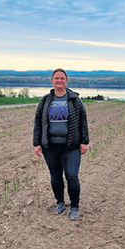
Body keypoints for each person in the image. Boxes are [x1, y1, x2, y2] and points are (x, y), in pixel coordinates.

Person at [33, 69, 89, 220]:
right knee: (55, 176)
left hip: (70, 146)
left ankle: (75, 207)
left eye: (62, 78)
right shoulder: (45, 100)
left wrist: (84, 142)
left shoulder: (75, 100)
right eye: (56, 78)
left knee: (71, 176)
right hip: (50, 147)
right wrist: (37, 143)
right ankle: (60, 203)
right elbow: (38, 122)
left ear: (66, 81)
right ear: (52, 81)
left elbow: (83, 121)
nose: (59, 81)